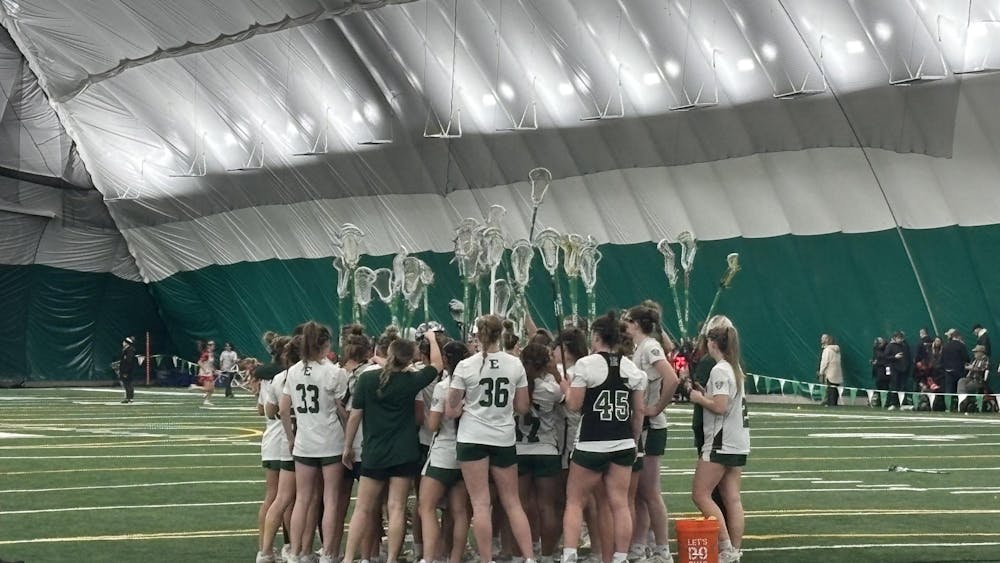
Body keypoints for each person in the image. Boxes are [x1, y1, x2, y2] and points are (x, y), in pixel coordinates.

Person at [342, 330, 443, 563]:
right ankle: (392, 558)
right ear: (410, 359)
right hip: (404, 451)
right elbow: (437, 364)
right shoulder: (411, 379)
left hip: (375, 452)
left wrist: (348, 447)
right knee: (396, 508)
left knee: (363, 509)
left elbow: (355, 416)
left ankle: (348, 558)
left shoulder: (367, 379)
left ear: (388, 353)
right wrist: (432, 338)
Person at [447, 314, 536, 563]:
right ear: (501, 335)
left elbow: (451, 405)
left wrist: (466, 405)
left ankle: (486, 559)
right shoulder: (514, 364)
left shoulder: (466, 365)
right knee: (512, 502)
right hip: (503, 437)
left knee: (480, 504)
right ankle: (529, 558)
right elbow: (522, 406)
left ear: (477, 335)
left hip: (472, 436)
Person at [561, 311, 646, 563]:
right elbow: (638, 412)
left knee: (575, 500)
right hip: (623, 442)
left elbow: (574, 405)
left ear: (596, 337)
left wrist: (567, 388)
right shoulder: (631, 368)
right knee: (619, 503)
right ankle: (620, 556)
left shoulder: (585, 365)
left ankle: (569, 554)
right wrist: (633, 439)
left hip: (591, 441)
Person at [280, 322, 349, 563]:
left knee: (303, 498)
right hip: (330, 440)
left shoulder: (293, 371)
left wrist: (291, 438)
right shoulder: (334, 372)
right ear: (326, 344)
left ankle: (297, 552)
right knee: (330, 499)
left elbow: (283, 407)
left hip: (304, 442)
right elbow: (344, 410)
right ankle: (329, 553)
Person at [688, 325, 750, 563]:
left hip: (721, 441)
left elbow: (720, 407)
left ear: (713, 344)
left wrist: (698, 398)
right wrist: (705, 394)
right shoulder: (734, 369)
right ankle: (734, 550)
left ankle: (725, 546)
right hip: (737, 440)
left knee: (700, 494)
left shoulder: (721, 370)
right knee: (731, 497)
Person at [624, 304, 679, 563]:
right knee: (639, 493)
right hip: (640, 425)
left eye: (627, 321)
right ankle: (639, 545)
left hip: (651, 427)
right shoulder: (638, 347)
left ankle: (662, 549)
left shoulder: (649, 346)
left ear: (636, 323)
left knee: (650, 491)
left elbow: (672, 378)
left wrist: (656, 407)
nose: (624, 325)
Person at [419, 340, 472, 563]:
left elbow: (432, 425)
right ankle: (455, 558)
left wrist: (423, 412)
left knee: (427, 507)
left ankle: (430, 557)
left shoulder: (444, 386)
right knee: (460, 511)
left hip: (442, 454)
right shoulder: (473, 383)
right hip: (467, 454)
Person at [515, 343, 565, 561]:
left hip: (518, 449)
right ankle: (546, 554)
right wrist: (555, 372)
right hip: (545, 449)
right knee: (547, 507)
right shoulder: (550, 388)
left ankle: (522, 554)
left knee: (519, 506)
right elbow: (569, 398)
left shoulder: (515, 386)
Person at [256, 333, 293, 563]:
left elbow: (261, 410)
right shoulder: (287, 376)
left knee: (273, 497)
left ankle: (265, 548)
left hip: (270, 438)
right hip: (286, 439)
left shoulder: (268, 377)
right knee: (288, 498)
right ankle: (290, 547)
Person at [941, 330, 970, 410]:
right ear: (959, 337)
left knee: (949, 389)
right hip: (959, 370)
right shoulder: (961, 346)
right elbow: (966, 358)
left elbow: (942, 359)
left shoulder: (945, 346)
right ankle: (960, 406)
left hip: (948, 370)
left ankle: (948, 407)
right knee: (960, 388)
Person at [958, 345, 990, 411]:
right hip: (970, 378)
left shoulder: (985, 359)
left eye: (976, 352)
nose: (974, 353)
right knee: (961, 381)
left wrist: (972, 368)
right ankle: (963, 398)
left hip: (979, 380)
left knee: (967, 387)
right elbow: (970, 367)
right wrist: (968, 367)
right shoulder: (974, 360)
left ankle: (965, 401)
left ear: (981, 352)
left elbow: (983, 369)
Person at [818, 334, 843, 406]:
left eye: (823, 338)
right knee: (835, 390)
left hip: (830, 374)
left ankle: (831, 405)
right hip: (837, 374)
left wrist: (821, 372)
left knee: (831, 390)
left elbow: (824, 362)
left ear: (827, 340)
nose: (821, 340)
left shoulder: (827, 350)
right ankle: (834, 404)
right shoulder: (837, 350)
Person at [190, 340, 217, 406]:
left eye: (213, 344)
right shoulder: (206, 354)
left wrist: (214, 370)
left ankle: (206, 401)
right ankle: (194, 387)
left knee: (212, 389)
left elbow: (210, 364)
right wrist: (205, 370)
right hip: (205, 373)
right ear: (208, 346)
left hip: (209, 372)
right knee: (208, 388)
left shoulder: (211, 354)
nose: (213, 346)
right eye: (211, 345)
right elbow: (199, 362)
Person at [118, 336, 138, 404]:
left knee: (128, 384)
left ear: (127, 343)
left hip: (128, 370)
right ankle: (128, 398)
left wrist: (126, 371)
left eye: (124, 342)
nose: (123, 343)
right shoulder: (126, 349)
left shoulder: (130, 350)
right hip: (125, 369)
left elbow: (129, 361)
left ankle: (130, 398)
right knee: (126, 384)